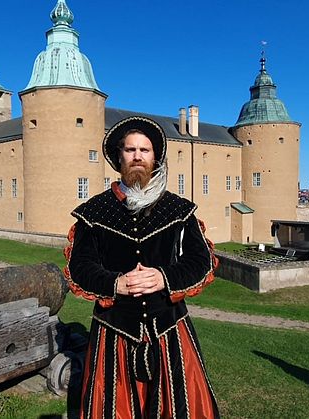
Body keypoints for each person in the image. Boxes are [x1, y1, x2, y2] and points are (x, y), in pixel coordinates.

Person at [64, 116, 220, 418]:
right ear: (119, 156)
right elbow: (80, 267)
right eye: (131, 149)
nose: (137, 156)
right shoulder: (93, 213)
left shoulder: (178, 210)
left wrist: (164, 277)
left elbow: (201, 262)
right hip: (114, 332)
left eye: (145, 150)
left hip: (170, 332)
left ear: (155, 157)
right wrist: (115, 284)